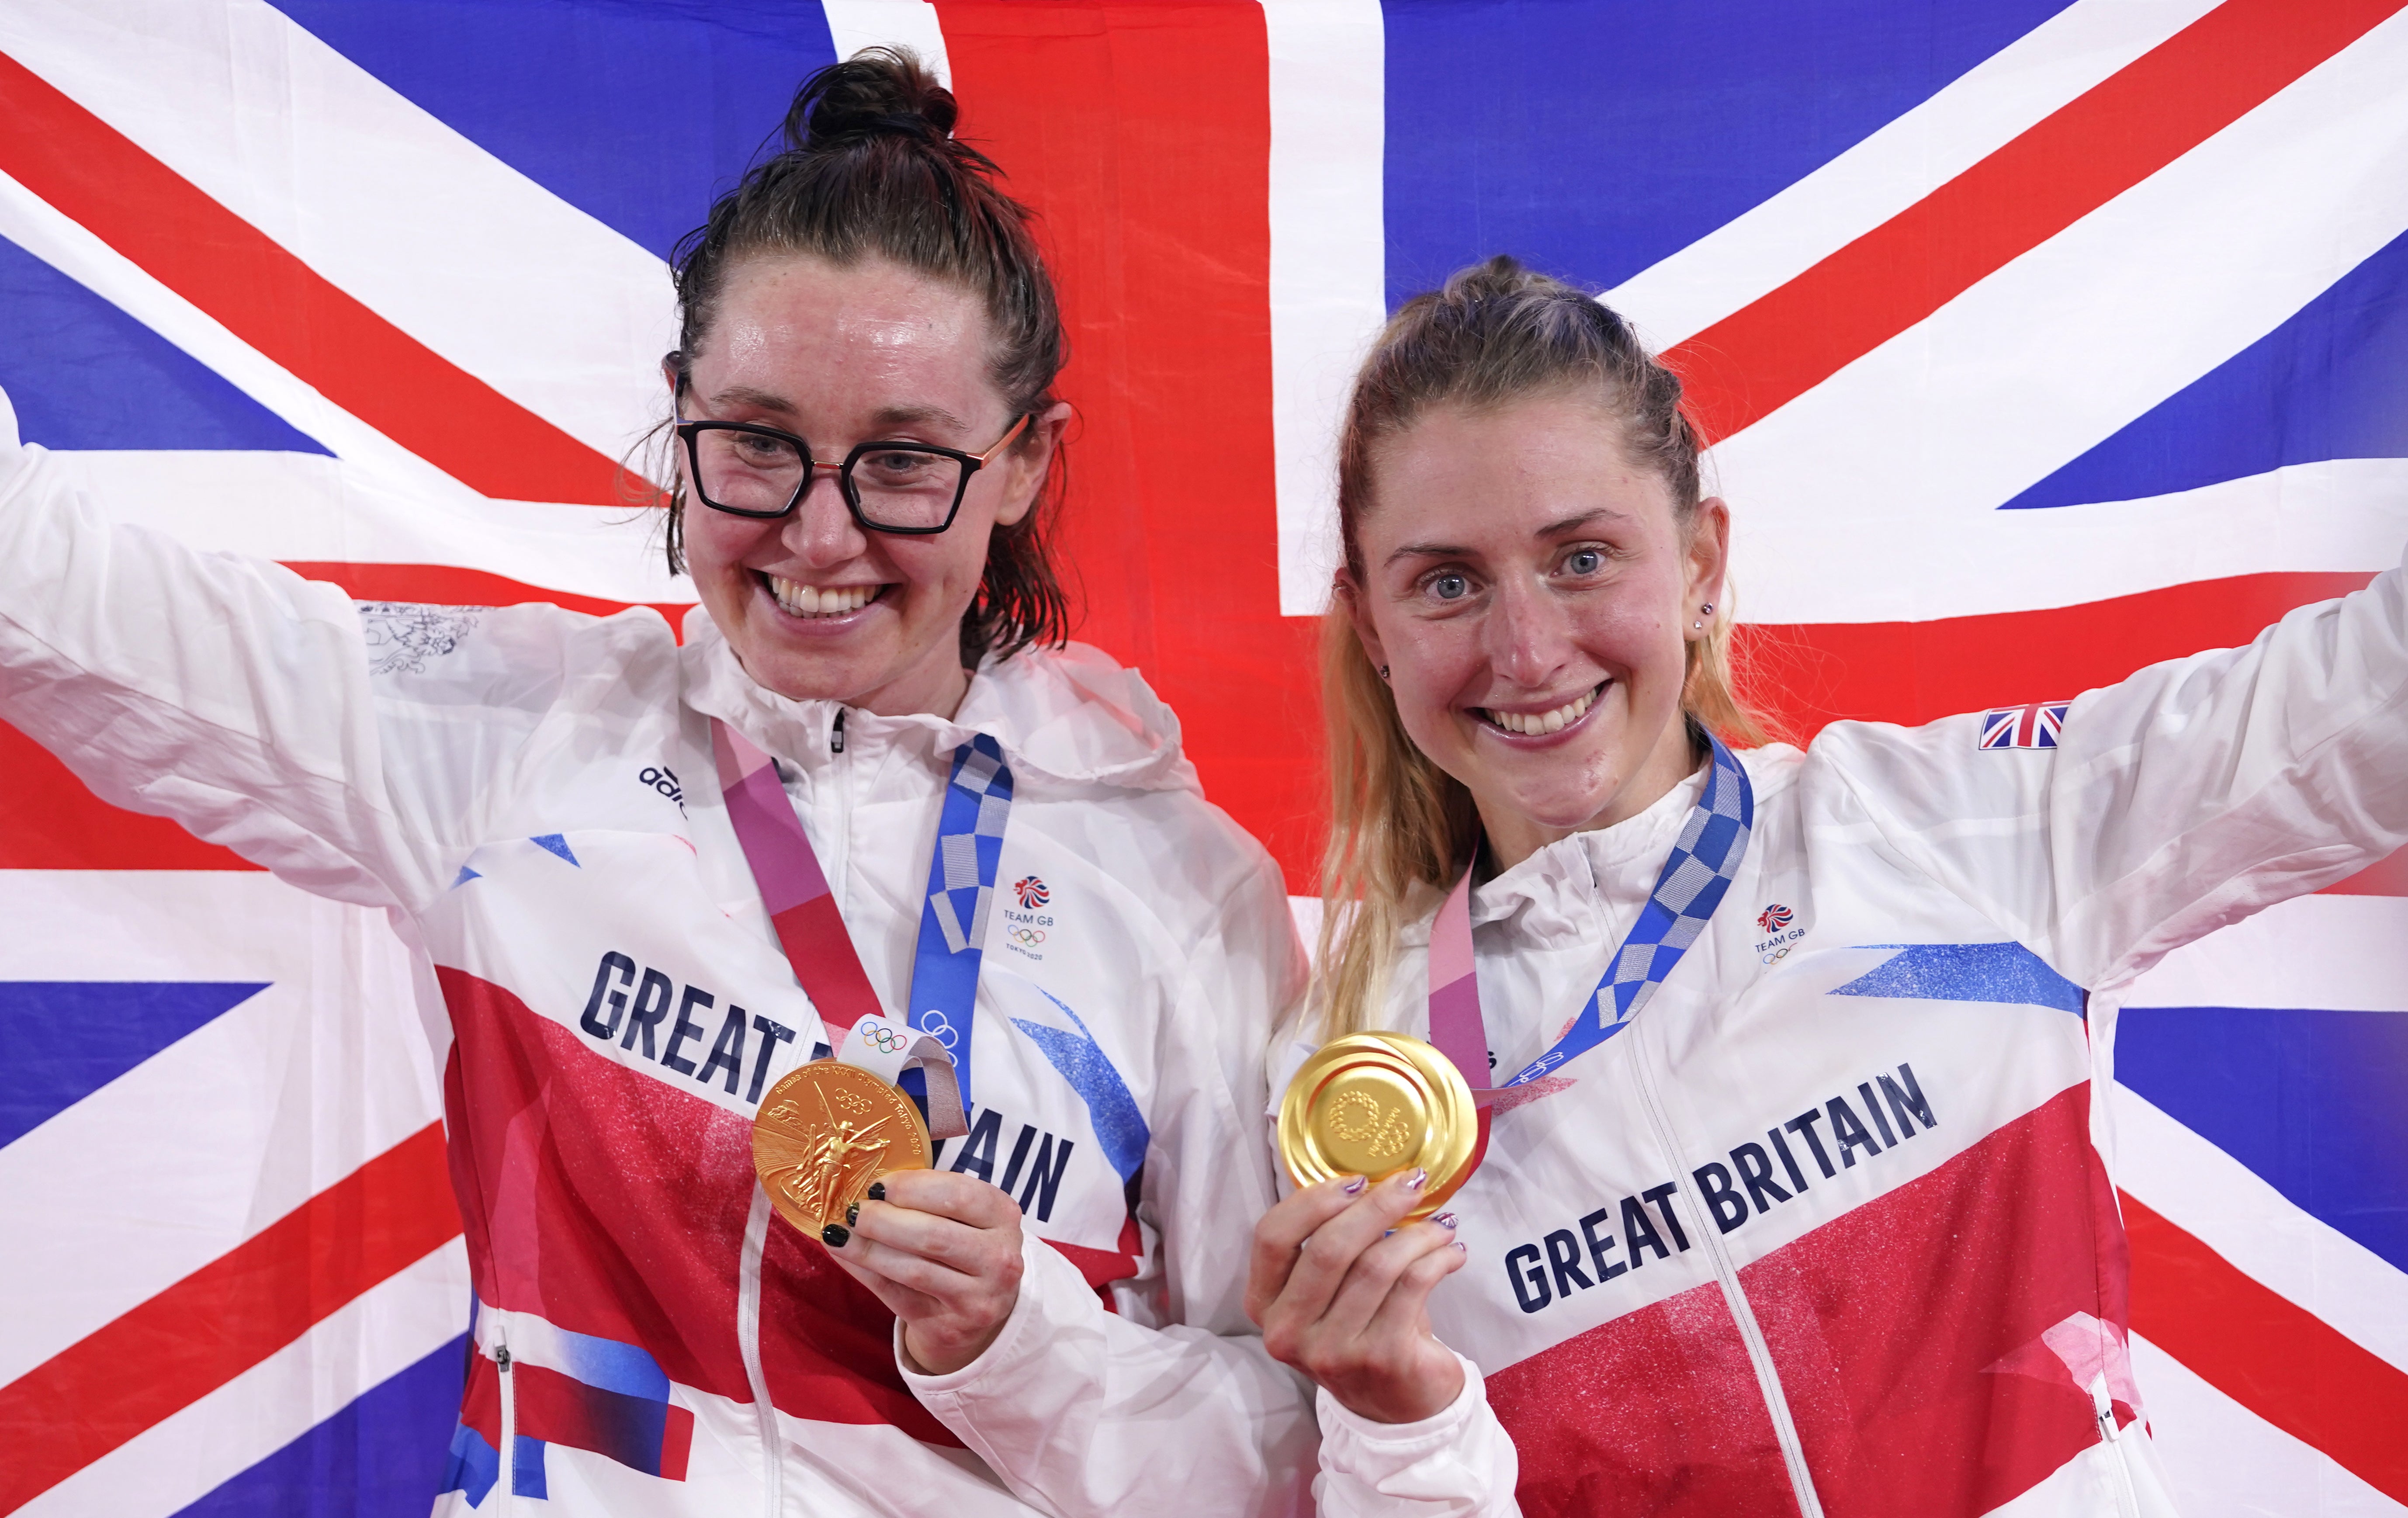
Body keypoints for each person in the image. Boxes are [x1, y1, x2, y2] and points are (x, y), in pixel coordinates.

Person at [0, 49, 1390, 1518]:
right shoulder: (516, 737)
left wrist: (1015, 1336)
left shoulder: (1185, 887)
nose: (817, 535)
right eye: (758, 445)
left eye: (905, 465)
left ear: (1028, 459)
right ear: (682, 411)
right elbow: (45, 590)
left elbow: (1292, 1453)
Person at [1245, 256, 2408, 1518]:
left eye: (1582, 557)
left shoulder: (1956, 833)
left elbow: (2362, 699)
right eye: (1449, 583)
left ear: (1700, 561)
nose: (1526, 650)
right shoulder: (1352, 1077)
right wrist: (1398, 1437)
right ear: (1368, 623)